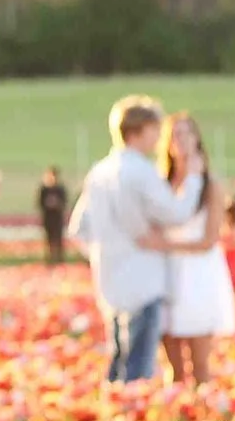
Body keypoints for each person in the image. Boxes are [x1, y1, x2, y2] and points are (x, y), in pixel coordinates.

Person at [67, 95, 206, 383]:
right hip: (142, 278)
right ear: (138, 131)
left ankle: (113, 412)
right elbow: (177, 213)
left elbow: (78, 229)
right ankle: (128, 420)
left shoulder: (100, 171)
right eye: (155, 130)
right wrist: (192, 179)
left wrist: (105, 248)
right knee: (138, 365)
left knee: (119, 357)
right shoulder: (140, 171)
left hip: (109, 277)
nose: (158, 138)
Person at [146, 113, 233, 384]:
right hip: (167, 274)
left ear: (197, 139)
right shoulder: (161, 183)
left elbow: (209, 240)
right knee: (174, 367)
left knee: (200, 366)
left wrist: (165, 245)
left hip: (198, 275)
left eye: (186, 133)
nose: (181, 140)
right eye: (174, 134)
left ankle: (202, 419)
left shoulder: (211, 186)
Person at [36, 168, 71, 266]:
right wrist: (48, 204)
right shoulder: (44, 189)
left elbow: (64, 202)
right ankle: (49, 258)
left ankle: (59, 258)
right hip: (48, 217)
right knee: (48, 239)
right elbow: (40, 203)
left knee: (58, 238)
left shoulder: (60, 189)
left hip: (57, 218)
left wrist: (57, 204)